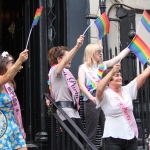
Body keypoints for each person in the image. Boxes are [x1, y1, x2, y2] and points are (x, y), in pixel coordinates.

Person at [78, 43, 130, 149]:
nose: (101, 53)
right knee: (91, 130)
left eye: (101, 51)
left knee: (106, 127)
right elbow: (81, 85)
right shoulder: (83, 68)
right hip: (92, 98)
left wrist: (130, 47)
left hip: (105, 96)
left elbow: (118, 57)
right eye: (99, 51)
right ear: (92, 52)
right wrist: (91, 97)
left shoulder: (103, 66)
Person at [96, 63, 150, 150]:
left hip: (130, 137)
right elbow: (99, 88)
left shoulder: (127, 90)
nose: (120, 77)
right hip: (112, 139)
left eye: (120, 75)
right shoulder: (105, 95)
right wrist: (112, 71)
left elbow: (144, 75)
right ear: (109, 80)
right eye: (117, 75)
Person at [46, 35, 85, 146]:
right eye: (68, 57)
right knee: (72, 143)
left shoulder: (67, 73)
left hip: (74, 111)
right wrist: (77, 46)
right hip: (65, 111)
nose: (70, 59)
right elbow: (63, 64)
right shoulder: (55, 70)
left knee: (81, 141)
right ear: (59, 59)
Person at [0, 49, 28, 150]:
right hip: (2, 127)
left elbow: (13, 108)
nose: (13, 63)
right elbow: (7, 76)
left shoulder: (10, 84)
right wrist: (19, 60)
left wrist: (20, 127)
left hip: (13, 124)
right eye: (11, 62)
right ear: (3, 65)